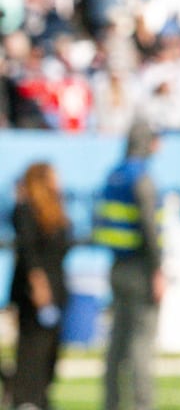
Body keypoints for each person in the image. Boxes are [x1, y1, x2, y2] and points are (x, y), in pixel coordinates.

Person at [93, 119, 165, 410]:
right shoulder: (142, 178)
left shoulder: (113, 176)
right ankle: (142, 405)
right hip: (140, 269)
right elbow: (149, 228)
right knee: (140, 344)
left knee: (116, 344)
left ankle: (111, 403)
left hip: (116, 266)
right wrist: (158, 270)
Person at [8, 161, 73, 410]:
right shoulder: (26, 209)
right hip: (34, 293)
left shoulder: (55, 211)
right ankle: (26, 400)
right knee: (31, 351)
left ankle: (41, 399)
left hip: (57, 289)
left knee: (50, 354)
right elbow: (28, 252)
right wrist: (39, 285)